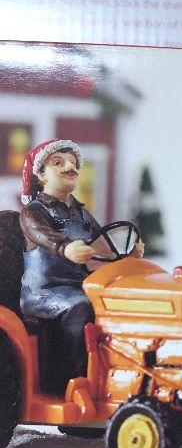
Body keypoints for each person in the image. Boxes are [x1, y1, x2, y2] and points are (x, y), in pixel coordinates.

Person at [19, 139, 144, 389]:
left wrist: (127, 259)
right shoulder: (34, 211)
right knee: (80, 306)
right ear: (41, 175)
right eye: (58, 163)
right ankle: (68, 379)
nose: (70, 167)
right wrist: (65, 248)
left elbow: (103, 252)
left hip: (81, 286)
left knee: (113, 302)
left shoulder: (82, 214)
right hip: (44, 292)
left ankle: (113, 372)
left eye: (73, 163)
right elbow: (40, 233)